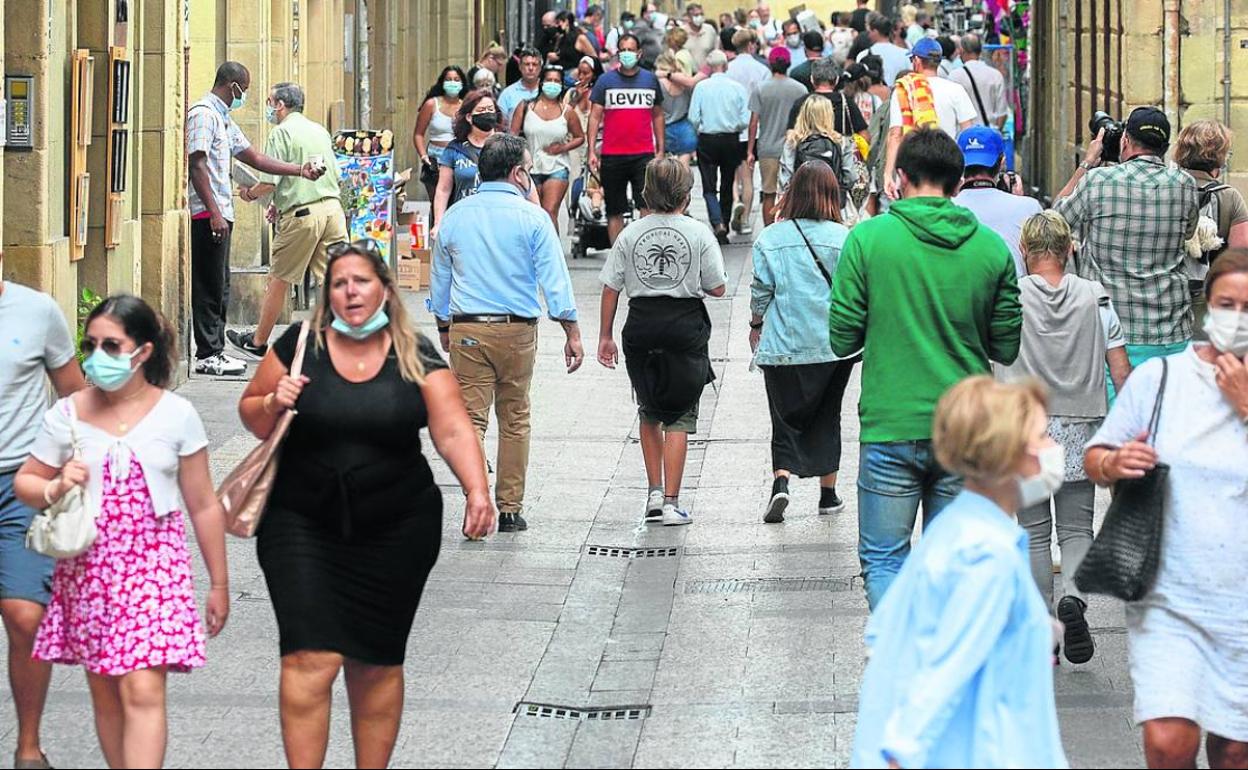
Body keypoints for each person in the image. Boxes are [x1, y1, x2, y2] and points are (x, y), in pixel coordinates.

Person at [238, 241, 492, 768]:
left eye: (360, 281)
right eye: (338, 283)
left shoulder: (415, 353)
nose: (350, 292)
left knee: (375, 663)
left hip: (396, 527)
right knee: (310, 656)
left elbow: (450, 427)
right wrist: (271, 400)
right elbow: (253, 416)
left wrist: (477, 489)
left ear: (385, 289)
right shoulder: (299, 344)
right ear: (327, 295)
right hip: (300, 521)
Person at [13, 295, 229, 770]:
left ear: (143, 351)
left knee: (143, 686)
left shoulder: (176, 414)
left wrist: (218, 583)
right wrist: (54, 487)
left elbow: (203, 503)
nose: (97, 358)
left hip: (155, 571)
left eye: (112, 345)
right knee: (106, 691)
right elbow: (27, 481)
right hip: (89, 572)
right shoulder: (68, 414)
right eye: (91, 346)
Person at [828, 128, 1022, 609]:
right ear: (958, 186)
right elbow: (1007, 346)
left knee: (885, 556)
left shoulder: (868, 240)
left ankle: (899, 651)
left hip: (891, 422)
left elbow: (841, 337)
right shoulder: (992, 249)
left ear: (898, 179)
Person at [850, 376, 1068, 769]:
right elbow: (945, 670)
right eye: (1041, 436)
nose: (1053, 447)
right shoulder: (986, 556)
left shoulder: (956, 534)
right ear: (1008, 455)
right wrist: (901, 750)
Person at [1084, 249, 1248, 770]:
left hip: (1242, 604)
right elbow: (1096, 456)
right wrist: (1114, 463)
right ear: (1207, 307)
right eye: (1227, 304)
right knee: (1168, 742)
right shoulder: (1160, 379)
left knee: (1235, 751)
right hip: (1168, 595)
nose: (1237, 318)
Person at [431, 135, 584, 533]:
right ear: (518, 173)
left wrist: (444, 327)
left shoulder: (456, 216)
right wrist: (571, 331)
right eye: (529, 170)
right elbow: (555, 280)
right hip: (517, 331)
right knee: (515, 417)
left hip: (468, 329)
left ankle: (476, 500)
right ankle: (511, 509)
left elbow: (440, 280)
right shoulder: (533, 218)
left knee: (470, 420)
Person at [998, 211, 1132, 665]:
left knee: (1034, 533)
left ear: (1024, 251)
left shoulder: (1010, 298)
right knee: (1076, 528)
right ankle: (1073, 597)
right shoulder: (1096, 298)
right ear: (1069, 248)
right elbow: (1119, 368)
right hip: (1082, 425)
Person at [597, 158, 727, 527]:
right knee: (681, 417)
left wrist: (605, 336)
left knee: (649, 409)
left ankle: (653, 493)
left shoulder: (631, 233)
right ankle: (672, 501)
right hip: (684, 328)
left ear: (646, 192)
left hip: (641, 325)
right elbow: (717, 287)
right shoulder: (699, 233)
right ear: (686, 195)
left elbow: (611, 287)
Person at [0, 259, 85, 770]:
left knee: (25, 614)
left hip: (21, 486)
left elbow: (73, 393)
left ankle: (28, 746)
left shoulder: (36, 312)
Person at [187, 61, 325, 377]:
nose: (244, 97)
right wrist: (214, 213)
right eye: (244, 91)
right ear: (232, 85)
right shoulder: (203, 115)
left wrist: (299, 170)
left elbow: (255, 158)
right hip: (209, 212)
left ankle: (216, 349)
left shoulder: (223, 119)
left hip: (222, 212)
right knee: (208, 284)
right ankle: (208, 353)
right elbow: (197, 165)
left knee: (221, 284)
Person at [1054, 107, 1200, 374]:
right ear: (1164, 147)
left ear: (1124, 140)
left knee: (1117, 414)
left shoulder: (1098, 181)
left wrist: (1087, 163)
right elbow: (1189, 233)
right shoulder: (1185, 184)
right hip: (1170, 331)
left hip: (1110, 332)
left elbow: (1055, 222)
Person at [749, 163, 855, 523]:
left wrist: (755, 323)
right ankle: (828, 494)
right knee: (828, 415)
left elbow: (761, 291)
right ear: (832, 195)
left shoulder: (770, 238)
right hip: (832, 346)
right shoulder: (845, 239)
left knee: (783, 418)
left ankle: (781, 482)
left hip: (783, 347)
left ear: (791, 192)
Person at [228, 82, 348, 360]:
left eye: (270, 102)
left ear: (280, 105)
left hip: (302, 216)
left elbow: (269, 182)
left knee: (279, 279)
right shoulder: (319, 130)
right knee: (336, 278)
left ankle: (257, 342)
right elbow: (334, 174)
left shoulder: (280, 133)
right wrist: (278, 203)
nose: (269, 108)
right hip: (332, 211)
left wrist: (249, 193)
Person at [586, 34, 665, 245]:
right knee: (614, 209)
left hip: (643, 154)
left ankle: (643, 252)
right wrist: (592, 150)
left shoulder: (650, 80)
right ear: (617, 53)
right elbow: (594, 117)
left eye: (631, 50)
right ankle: (617, 258)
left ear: (639, 53)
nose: (627, 54)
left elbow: (658, 115)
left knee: (647, 206)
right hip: (612, 155)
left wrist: (660, 150)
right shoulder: (605, 81)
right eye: (623, 50)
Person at [1174, 120, 1248, 333]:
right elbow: (1239, 259)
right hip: (1207, 303)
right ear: (1221, 157)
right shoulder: (1230, 197)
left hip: (1165, 298)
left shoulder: (1166, 190)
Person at [882, 37, 978, 199]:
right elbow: (967, 133)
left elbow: (895, 135)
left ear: (917, 61)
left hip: (913, 169)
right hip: (947, 167)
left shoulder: (904, 90)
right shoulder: (955, 90)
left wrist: (888, 174)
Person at [952, 126, 1043, 277]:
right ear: (1002, 162)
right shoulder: (1029, 207)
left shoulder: (946, 209)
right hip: (1015, 298)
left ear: (959, 163)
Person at [511, 66, 585, 232]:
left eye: (556, 81)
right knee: (534, 213)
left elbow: (580, 137)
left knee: (550, 211)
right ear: (541, 83)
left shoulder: (567, 111)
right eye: (549, 80)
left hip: (558, 167)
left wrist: (563, 147)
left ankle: (552, 253)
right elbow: (513, 135)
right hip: (530, 168)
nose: (552, 84)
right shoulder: (525, 107)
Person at [690, 50, 751, 244]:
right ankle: (724, 218)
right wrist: (733, 125)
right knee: (727, 183)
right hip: (730, 139)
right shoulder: (737, 88)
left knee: (709, 186)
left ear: (709, 66)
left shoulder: (701, 87)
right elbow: (745, 120)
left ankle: (717, 222)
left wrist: (702, 126)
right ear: (725, 66)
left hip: (707, 139)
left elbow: (693, 117)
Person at [748, 47, 808, 226]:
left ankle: (769, 231)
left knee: (769, 193)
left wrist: (750, 151)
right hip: (794, 147)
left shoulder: (761, 89)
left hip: (768, 148)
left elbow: (753, 123)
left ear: (771, 64)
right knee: (794, 193)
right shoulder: (800, 89)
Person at [432, 90, 503, 237]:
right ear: (469, 117)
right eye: (482, 110)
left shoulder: (506, 146)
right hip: (464, 222)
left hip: (498, 221)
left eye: (491, 110)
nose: (487, 114)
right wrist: (439, 223)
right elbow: (443, 190)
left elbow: (524, 184)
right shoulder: (454, 149)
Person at [726, 28, 771, 235]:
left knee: (732, 174)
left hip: (730, 127)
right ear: (751, 45)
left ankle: (735, 200)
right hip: (754, 128)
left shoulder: (728, 67)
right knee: (748, 176)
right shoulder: (761, 69)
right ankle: (744, 220)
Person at [412, 67, 467, 212]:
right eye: (448, 79)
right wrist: (423, 155)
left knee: (456, 203)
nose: (452, 83)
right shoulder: (431, 104)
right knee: (438, 202)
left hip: (458, 158)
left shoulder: (465, 107)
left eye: (456, 80)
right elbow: (418, 133)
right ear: (442, 82)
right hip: (435, 160)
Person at [777, 94, 843, 202]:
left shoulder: (793, 140)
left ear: (803, 114)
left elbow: (786, 177)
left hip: (801, 201)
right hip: (832, 202)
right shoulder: (840, 141)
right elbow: (850, 177)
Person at [786, 58, 868, 136]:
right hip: (839, 149)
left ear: (812, 79)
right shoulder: (846, 102)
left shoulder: (801, 103)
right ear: (836, 80)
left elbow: (790, 134)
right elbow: (864, 135)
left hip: (807, 149)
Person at [947, 34, 1008, 129]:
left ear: (962, 51)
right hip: (989, 134)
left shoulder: (954, 76)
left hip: (964, 136)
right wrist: (996, 132)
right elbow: (1002, 113)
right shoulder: (996, 75)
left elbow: (950, 111)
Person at [655, 52, 700, 168]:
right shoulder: (684, 82)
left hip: (664, 128)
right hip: (685, 127)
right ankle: (682, 185)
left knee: (666, 167)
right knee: (684, 163)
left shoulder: (658, 84)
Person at [855, 13, 911, 87]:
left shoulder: (864, 55)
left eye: (870, 31)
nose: (868, 35)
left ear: (875, 31)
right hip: (898, 95)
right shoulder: (905, 54)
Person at [498, 48, 543, 126]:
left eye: (534, 64)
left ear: (540, 68)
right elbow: (500, 124)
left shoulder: (547, 91)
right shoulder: (507, 94)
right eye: (527, 64)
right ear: (520, 67)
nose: (531, 68)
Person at [681, 3, 720, 71]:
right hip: (688, 74)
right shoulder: (682, 32)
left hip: (708, 73)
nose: (700, 17)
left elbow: (716, 51)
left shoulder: (709, 30)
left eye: (701, 14)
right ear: (689, 17)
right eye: (696, 15)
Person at [632, 3, 665, 69]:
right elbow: (634, 44)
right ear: (645, 13)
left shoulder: (650, 25)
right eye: (652, 12)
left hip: (653, 65)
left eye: (655, 11)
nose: (655, 14)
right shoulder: (641, 26)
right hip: (644, 64)